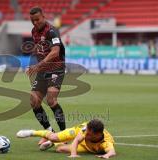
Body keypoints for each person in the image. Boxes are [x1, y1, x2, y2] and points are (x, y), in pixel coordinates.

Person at [25, 6, 66, 145]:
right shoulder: (34, 31)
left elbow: (55, 52)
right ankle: (49, 132)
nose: (35, 22)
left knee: (51, 100)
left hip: (56, 69)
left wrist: (38, 65)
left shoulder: (52, 31)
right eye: (32, 20)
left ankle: (63, 136)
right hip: (43, 70)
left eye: (37, 19)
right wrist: (34, 64)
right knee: (34, 101)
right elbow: (40, 47)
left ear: (43, 17)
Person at [17, 119, 116, 159]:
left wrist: (106, 155)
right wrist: (73, 155)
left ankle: (52, 143)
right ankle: (32, 132)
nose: (87, 135)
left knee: (59, 149)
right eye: (87, 132)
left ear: (98, 134)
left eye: (90, 134)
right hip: (76, 131)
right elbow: (77, 140)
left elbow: (112, 151)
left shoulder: (106, 141)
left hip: (87, 148)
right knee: (54, 137)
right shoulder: (85, 130)